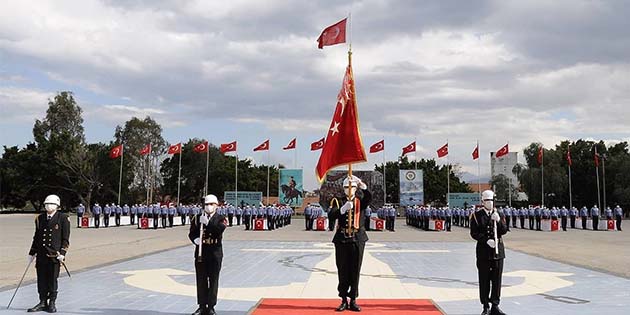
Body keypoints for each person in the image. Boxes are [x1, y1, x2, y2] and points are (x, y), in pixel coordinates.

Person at [328, 175, 371, 312]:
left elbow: (369, 199)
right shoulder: (338, 201)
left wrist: (362, 186)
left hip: (357, 238)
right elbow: (331, 215)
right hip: (342, 239)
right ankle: (343, 299)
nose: (349, 190)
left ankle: (353, 299)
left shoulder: (360, 202)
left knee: (355, 270)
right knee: (343, 269)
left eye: (352, 187)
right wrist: (342, 209)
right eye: (346, 187)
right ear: (343, 188)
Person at [27, 195, 70, 313]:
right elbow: (37, 237)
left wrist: (62, 253)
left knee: (52, 280)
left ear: (57, 206)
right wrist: (32, 253)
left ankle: (52, 302)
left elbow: (65, 239)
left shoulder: (63, 218)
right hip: (41, 255)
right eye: (46, 204)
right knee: (41, 279)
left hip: (54, 256)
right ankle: (42, 302)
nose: (48, 206)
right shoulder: (39, 219)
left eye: (50, 204)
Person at [470, 190, 508, 315]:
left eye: (491, 200)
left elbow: (504, 230)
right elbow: (474, 233)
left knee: (497, 280)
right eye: (487, 201)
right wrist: (486, 240)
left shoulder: (499, 214)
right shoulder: (476, 215)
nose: (490, 203)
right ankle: (485, 305)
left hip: (498, 252)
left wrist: (498, 221)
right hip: (484, 252)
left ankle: (495, 305)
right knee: (484, 279)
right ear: (482, 202)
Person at [189, 195, 227, 315]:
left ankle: (211, 306)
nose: (208, 207)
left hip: (215, 252)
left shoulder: (221, 218)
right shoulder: (197, 218)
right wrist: (195, 240)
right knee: (201, 279)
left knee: (213, 279)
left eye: (211, 204)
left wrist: (208, 223)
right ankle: (201, 305)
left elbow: (219, 230)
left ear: (216, 205)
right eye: (206, 204)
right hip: (201, 252)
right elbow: (192, 233)